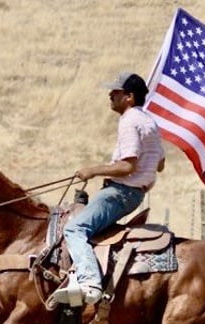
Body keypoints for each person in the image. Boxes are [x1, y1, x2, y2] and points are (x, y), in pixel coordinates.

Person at [52, 72, 165, 306]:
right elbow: (160, 164)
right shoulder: (149, 122)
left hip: (120, 192)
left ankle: (90, 283)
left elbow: (128, 166)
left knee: (75, 229)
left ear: (129, 97)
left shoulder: (129, 121)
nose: (110, 95)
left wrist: (93, 170)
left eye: (116, 91)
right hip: (134, 193)